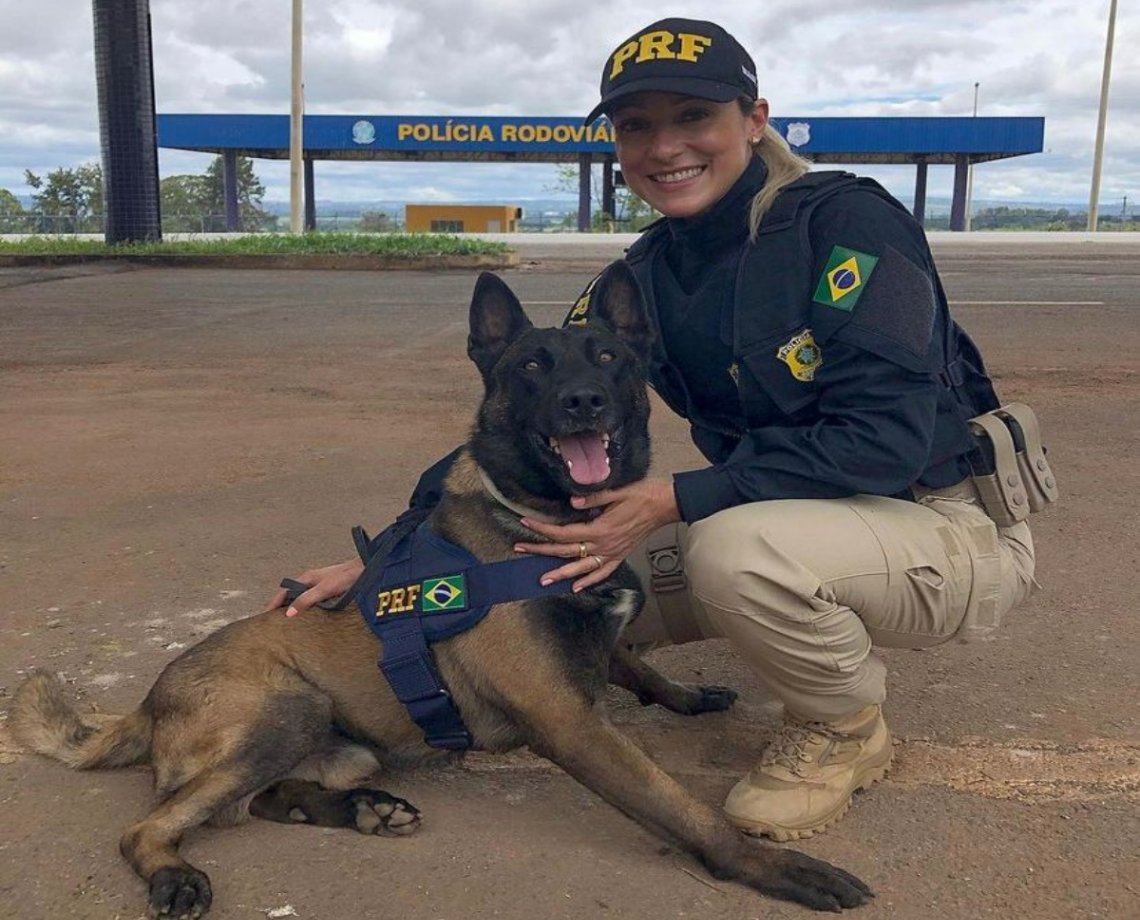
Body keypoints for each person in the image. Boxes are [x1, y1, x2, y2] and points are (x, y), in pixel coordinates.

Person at [266, 17, 1037, 843]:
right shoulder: (642, 275)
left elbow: (883, 443)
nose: (665, 146)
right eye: (638, 126)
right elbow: (519, 400)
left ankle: (845, 728)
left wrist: (673, 497)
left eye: (693, 117)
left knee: (733, 557)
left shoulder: (845, 225)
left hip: (939, 524)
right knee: (539, 574)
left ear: (754, 119)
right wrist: (389, 554)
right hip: (778, 513)